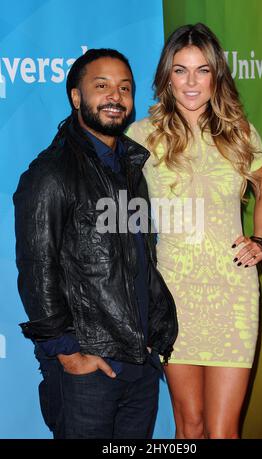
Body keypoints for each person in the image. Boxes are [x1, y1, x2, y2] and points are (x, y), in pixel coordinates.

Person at [13, 48, 178, 439]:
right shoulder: (51, 172)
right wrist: (67, 353)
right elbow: (37, 269)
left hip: (138, 365)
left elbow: (138, 258)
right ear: (76, 97)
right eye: (101, 86)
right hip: (88, 369)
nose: (115, 97)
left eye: (124, 88)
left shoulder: (132, 168)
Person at [127, 23, 262, 439]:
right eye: (180, 70)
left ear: (217, 75)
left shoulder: (240, 133)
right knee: (189, 428)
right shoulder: (142, 136)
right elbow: (118, 210)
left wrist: (261, 241)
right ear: (166, 76)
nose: (191, 82)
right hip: (173, 293)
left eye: (202, 70)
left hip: (233, 291)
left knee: (223, 429)